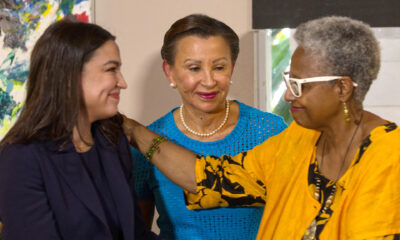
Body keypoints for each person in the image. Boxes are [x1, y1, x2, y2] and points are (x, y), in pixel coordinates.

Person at [124, 16, 400, 239]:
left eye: (298, 85)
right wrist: (133, 130)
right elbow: (216, 180)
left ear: (341, 88)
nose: (288, 95)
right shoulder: (298, 138)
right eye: (288, 81)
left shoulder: (389, 154)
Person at [0, 19, 160, 240]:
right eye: (111, 69)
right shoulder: (21, 160)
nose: (122, 82)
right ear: (69, 76)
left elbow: (136, 235)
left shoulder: (113, 141)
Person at [131, 14, 286, 240]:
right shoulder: (146, 143)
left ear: (231, 68)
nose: (209, 81)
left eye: (219, 67)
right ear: (169, 72)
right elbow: (137, 233)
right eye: (194, 68)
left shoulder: (270, 131)